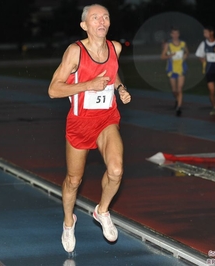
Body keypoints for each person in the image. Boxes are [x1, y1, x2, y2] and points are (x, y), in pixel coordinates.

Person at [48, 4, 131, 253]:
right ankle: (68, 222)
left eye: (105, 16)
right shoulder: (75, 51)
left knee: (116, 170)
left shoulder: (115, 48)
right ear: (85, 25)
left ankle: (102, 211)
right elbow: (53, 90)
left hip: (107, 119)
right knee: (74, 180)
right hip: (80, 123)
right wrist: (87, 85)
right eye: (95, 18)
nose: (101, 21)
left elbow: (112, 73)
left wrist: (120, 88)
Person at [160, 27, 189, 116]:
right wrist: (170, 55)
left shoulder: (183, 44)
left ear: (179, 34)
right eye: (174, 34)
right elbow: (162, 56)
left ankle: (178, 108)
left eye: (177, 34)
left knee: (180, 89)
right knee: (174, 90)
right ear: (171, 35)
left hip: (181, 68)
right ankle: (177, 99)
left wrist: (185, 56)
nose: (175, 35)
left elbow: (187, 52)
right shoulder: (168, 45)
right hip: (171, 69)